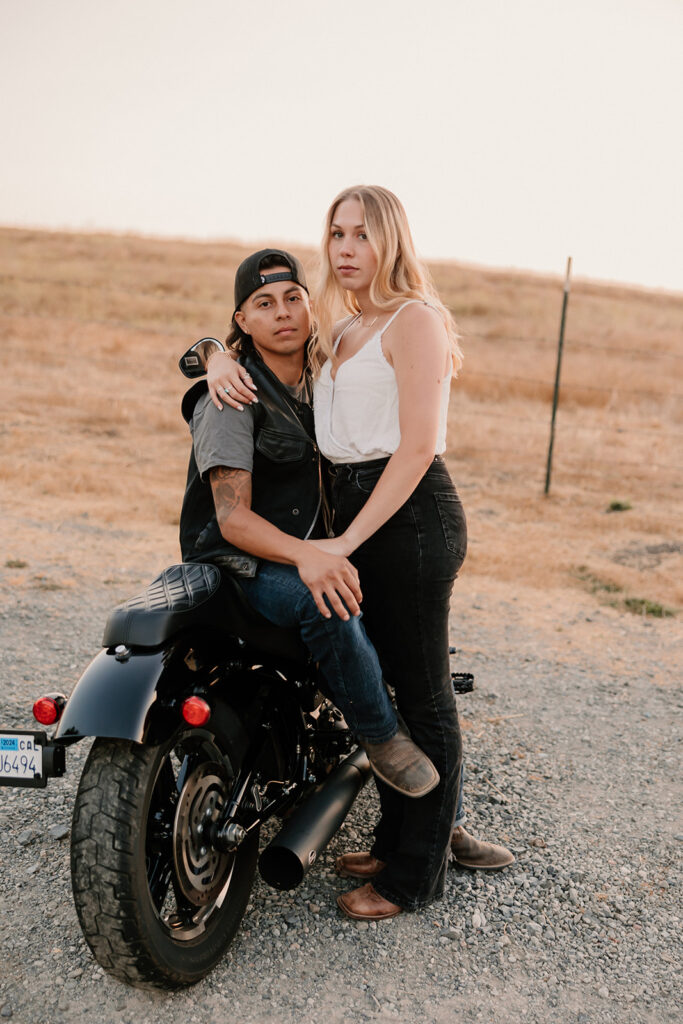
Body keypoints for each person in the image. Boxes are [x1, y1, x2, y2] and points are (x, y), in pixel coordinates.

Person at [206, 188, 514, 920]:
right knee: (379, 683)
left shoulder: (415, 321)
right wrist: (215, 353)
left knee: (425, 696)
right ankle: (397, 836)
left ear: (391, 243)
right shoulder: (341, 329)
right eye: (336, 234)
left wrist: (343, 540)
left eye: (362, 236)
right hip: (356, 516)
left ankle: (415, 876)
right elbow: (251, 342)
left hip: (406, 519)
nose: (345, 249)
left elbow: (415, 448)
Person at [179, 248, 440, 800]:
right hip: (240, 563)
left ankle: (445, 820)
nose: (283, 312)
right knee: (322, 597)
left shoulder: (323, 380)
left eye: (294, 298)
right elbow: (232, 522)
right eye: (264, 303)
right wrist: (215, 360)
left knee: (402, 634)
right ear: (243, 323)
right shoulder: (231, 397)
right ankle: (381, 737)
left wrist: (209, 351)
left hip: (315, 545)